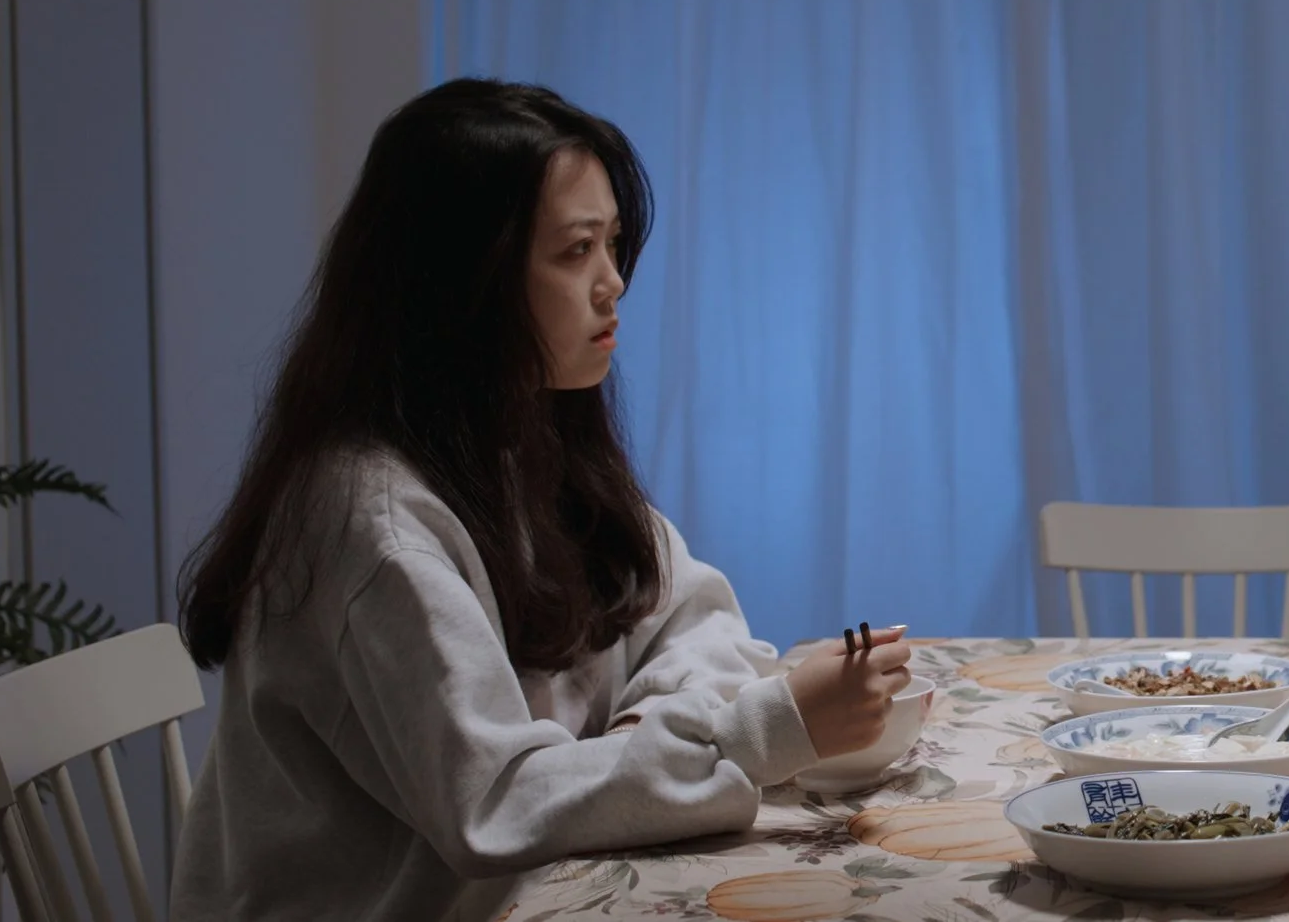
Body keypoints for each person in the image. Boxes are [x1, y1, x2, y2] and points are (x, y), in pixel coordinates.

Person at [170, 80, 913, 921]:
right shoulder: (371, 524)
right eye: (575, 251)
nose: (613, 284)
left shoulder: (519, 435)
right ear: (461, 281)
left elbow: (687, 610)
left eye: (614, 245)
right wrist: (754, 732)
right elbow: (497, 802)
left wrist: (640, 744)